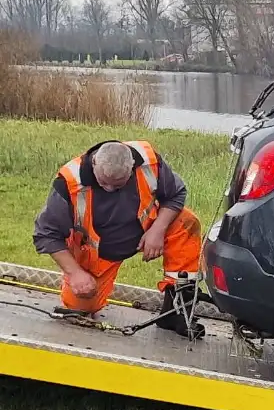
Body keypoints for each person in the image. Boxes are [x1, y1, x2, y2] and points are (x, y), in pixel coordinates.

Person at [32, 140, 206, 338]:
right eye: (103, 182)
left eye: (118, 185)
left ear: (132, 167)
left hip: (146, 231)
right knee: (81, 305)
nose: (109, 189)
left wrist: (158, 229)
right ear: (95, 163)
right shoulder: (69, 182)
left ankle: (176, 311)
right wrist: (75, 273)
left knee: (187, 222)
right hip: (97, 254)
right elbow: (46, 233)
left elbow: (176, 194)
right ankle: (83, 294)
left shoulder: (148, 160)